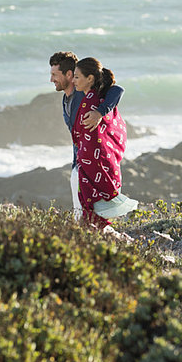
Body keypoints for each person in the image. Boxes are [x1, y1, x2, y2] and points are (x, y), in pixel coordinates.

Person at [49, 52, 125, 219]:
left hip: (95, 165)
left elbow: (117, 91)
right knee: (82, 216)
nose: (51, 79)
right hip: (79, 162)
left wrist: (100, 112)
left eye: (54, 74)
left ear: (69, 75)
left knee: (90, 218)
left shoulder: (84, 94)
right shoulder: (66, 99)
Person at [71, 57, 138, 229]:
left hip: (93, 162)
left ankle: (96, 239)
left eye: (77, 77)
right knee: (89, 207)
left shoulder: (96, 100)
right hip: (85, 162)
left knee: (93, 208)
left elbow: (118, 90)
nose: (73, 80)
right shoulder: (87, 96)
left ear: (90, 79)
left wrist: (100, 112)